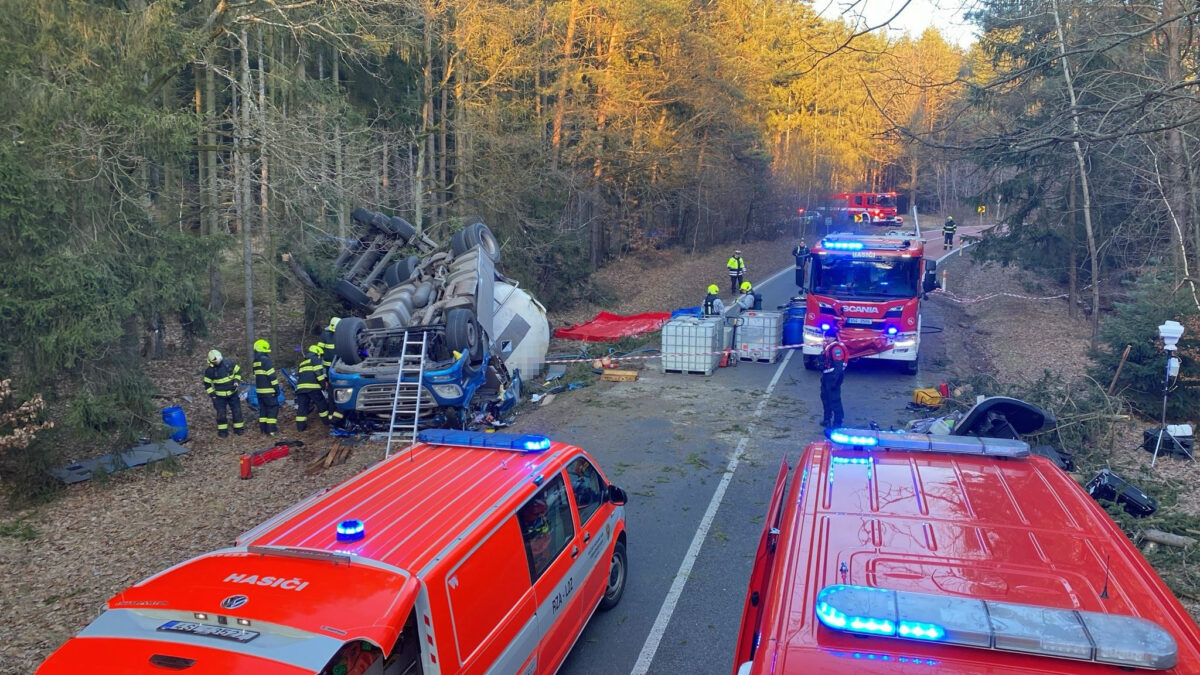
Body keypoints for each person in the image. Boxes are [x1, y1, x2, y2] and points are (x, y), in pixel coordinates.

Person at [202, 350, 244, 437]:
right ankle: (223, 432)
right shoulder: (209, 371)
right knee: (221, 414)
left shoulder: (229, 363)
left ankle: (239, 429)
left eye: (219, 359)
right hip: (219, 396)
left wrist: (236, 382)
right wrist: (213, 396)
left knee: (237, 411)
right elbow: (207, 384)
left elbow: (238, 372)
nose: (218, 362)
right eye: (216, 361)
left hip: (233, 393)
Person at [295, 345, 330, 432]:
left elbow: (299, 375)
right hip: (313, 387)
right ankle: (327, 422)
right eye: (320, 355)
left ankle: (300, 427)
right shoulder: (315, 359)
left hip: (301, 388)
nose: (320, 357)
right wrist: (323, 385)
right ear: (317, 353)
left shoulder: (302, 363)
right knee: (321, 404)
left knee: (302, 407)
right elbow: (319, 373)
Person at [820, 328, 849, 429]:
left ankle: (838, 422)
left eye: (828, 337)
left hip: (833, 377)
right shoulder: (829, 347)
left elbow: (838, 366)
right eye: (825, 336)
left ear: (833, 337)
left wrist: (835, 381)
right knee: (825, 398)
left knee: (835, 400)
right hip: (826, 376)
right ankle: (827, 419)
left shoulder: (836, 349)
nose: (826, 338)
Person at [252, 339, 281, 436]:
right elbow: (271, 376)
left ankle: (263, 430)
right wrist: (276, 388)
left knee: (263, 409)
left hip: (259, 391)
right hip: (269, 390)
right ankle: (272, 430)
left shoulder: (255, 362)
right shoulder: (266, 360)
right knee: (273, 408)